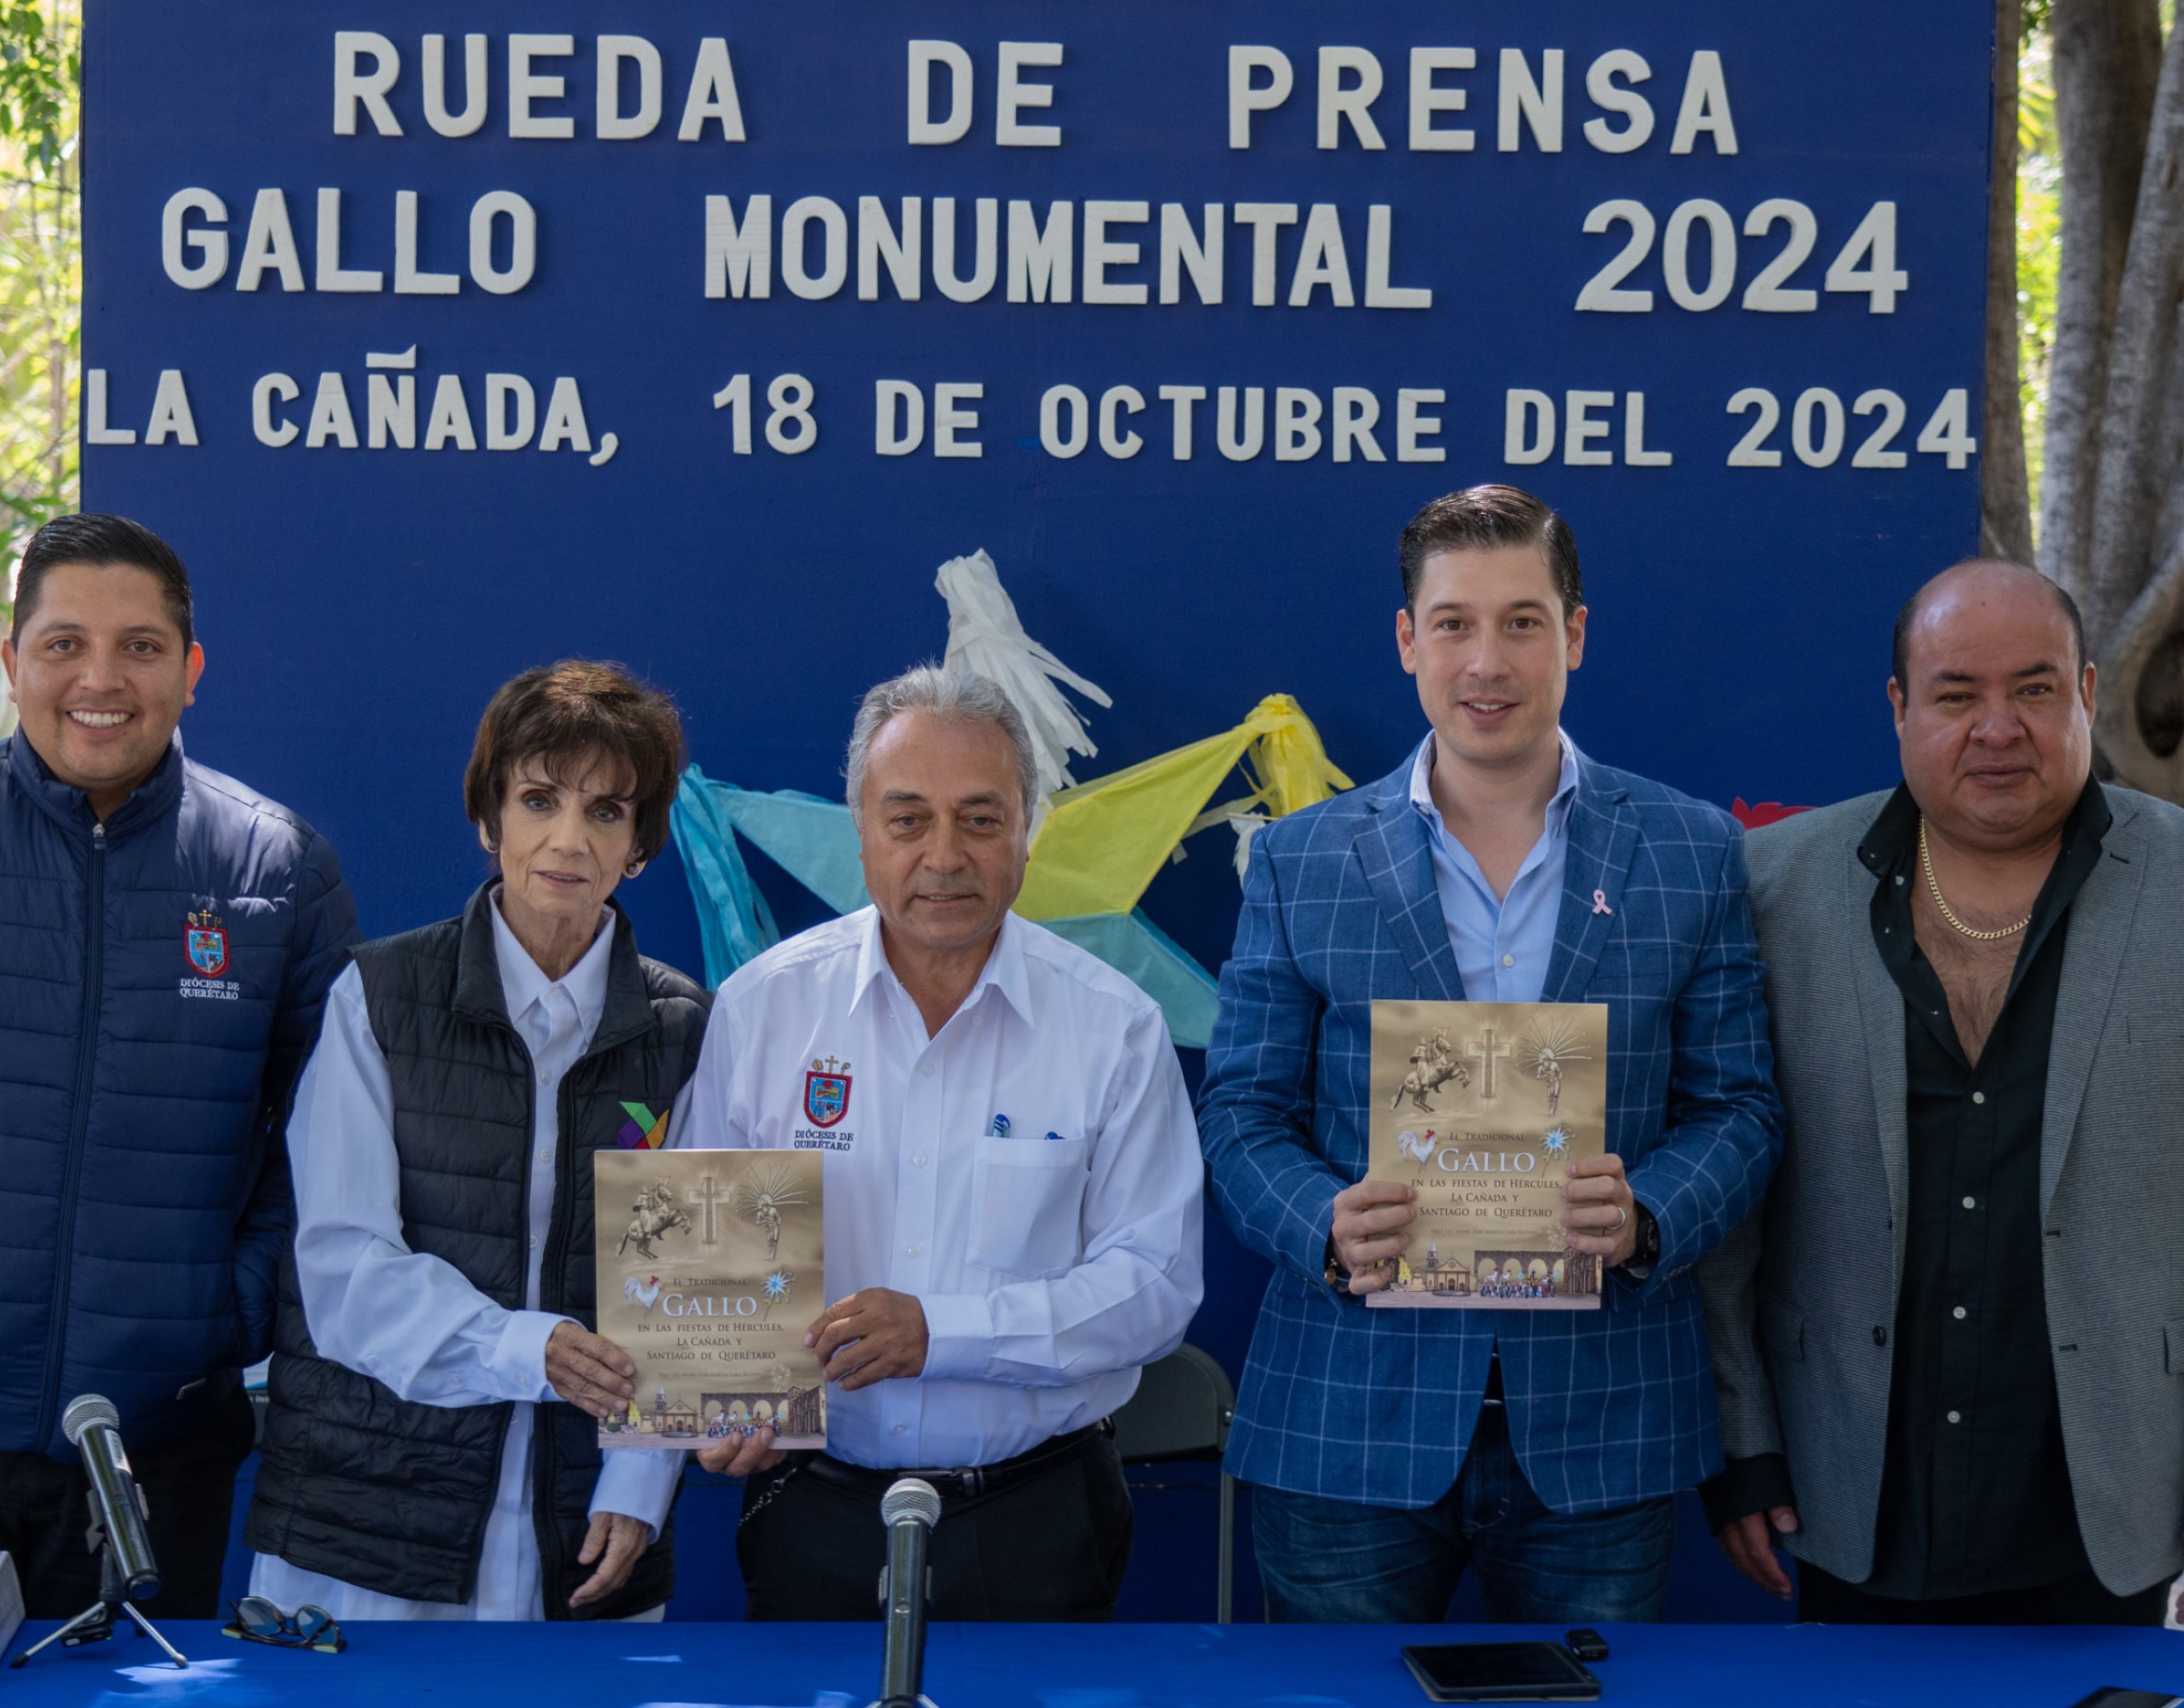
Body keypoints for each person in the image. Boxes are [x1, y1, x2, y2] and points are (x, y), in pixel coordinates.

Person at [1201, 484, 1782, 1623]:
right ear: (1408, 639)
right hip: (1346, 1417)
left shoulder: (1692, 850)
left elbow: (1742, 1108)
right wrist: (1322, 1219)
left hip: (1601, 1422)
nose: (1488, 659)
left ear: (1574, 632)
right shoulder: (1298, 858)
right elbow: (1238, 1112)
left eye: (1522, 621)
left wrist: (1649, 1212)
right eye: (1455, 622)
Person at [0, 513, 354, 1620]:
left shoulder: (276, 867)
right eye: (63, 644)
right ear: (12, 663)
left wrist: (228, 1309)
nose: (101, 678)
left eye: (140, 646)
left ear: (190, 672)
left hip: (156, 1446)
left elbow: (327, 1134)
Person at [1701, 560, 2184, 1624]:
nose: (1998, 727)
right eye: (1958, 694)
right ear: (1898, 707)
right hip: (1845, 1501)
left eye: (2036, 689)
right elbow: (1727, 1201)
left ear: (2090, 695)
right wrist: (1742, 1442)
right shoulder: (1769, 888)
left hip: (2113, 1509)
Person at [674, 666, 1203, 1621]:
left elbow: (1156, 1288)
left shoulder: (1113, 1026)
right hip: (813, 1507)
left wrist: (940, 1332)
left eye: (981, 818)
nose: (944, 854)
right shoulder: (762, 1007)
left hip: (1039, 1514)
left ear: (1027, 831)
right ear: (861, 830)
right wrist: (723, 1395)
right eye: (908, 817)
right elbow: (708, 1269)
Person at [243, 661, 706, 1621]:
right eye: (538, 799)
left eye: (608, 811)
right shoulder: (376, 998)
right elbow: (343, 1269)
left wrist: (636, 1487)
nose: (569, 839)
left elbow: (695, 1298)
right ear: (488, 819)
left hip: (585, 1539)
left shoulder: (687, 1030)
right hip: (369, 1528)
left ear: (640, 847)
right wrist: (522, 1346)